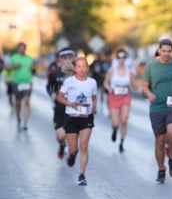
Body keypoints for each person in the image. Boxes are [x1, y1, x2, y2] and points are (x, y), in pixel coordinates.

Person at [142, 39, 172, 184]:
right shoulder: (151, 66)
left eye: (169, 51)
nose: (166, 54)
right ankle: (161, 169)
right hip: (157, 107)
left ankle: (171, 158)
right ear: (159, 50)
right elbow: (145, 86)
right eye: (163, 51)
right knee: (160, 140)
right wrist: (149, 94)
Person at [57, 57, 98, 186]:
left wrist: (94, 107)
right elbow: (60, 97)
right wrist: (70, 103)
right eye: (79, 66)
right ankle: (72, 155)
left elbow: (94, 97)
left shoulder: (92, 82)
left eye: (84, 66)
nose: (81, 69)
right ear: (75, 68)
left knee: (84, 146)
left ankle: (82, 175)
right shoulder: (69, 82)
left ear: (87, 68)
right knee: (74, 149)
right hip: (72, 117)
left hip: (86, 117)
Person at [103, 48, 138, 152]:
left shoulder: (130, 72)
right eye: (119, 57)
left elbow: (133, 85)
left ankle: (121, 142)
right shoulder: (111, 70)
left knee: (124, 120)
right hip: (114, 96)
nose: (121, 59)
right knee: (115, 123)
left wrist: (137, 86)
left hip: (125, 96)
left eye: (123, 57)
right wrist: (109, 88)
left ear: (126, 59)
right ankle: (114, 130)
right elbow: (105, 83)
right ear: (116, 59)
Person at [46, 48, 76, 159]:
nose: (68, 60)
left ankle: (70, 150)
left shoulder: (78, 73)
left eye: (70, 57)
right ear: (61, 59)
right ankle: (62, 146)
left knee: (71, 131)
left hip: (73, 108)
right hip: (59, 108)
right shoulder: (55, 73)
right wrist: (52, 93)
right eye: (66, 58)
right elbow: (49, 86)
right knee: (60, 136)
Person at [5, 42, 36, 130]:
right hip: (17, 83)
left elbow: (34, 67)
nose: (22, 49)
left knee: (27, 101)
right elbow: (7, 67)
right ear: (18, 49)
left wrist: (33, 67)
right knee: (18, 103)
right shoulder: (14, 57)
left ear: (25, 49)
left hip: (28, 82)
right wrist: (15, 66)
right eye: (21, 48)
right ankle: (18, 117)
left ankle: (25, 123)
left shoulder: (29, 58)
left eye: (24, 48)